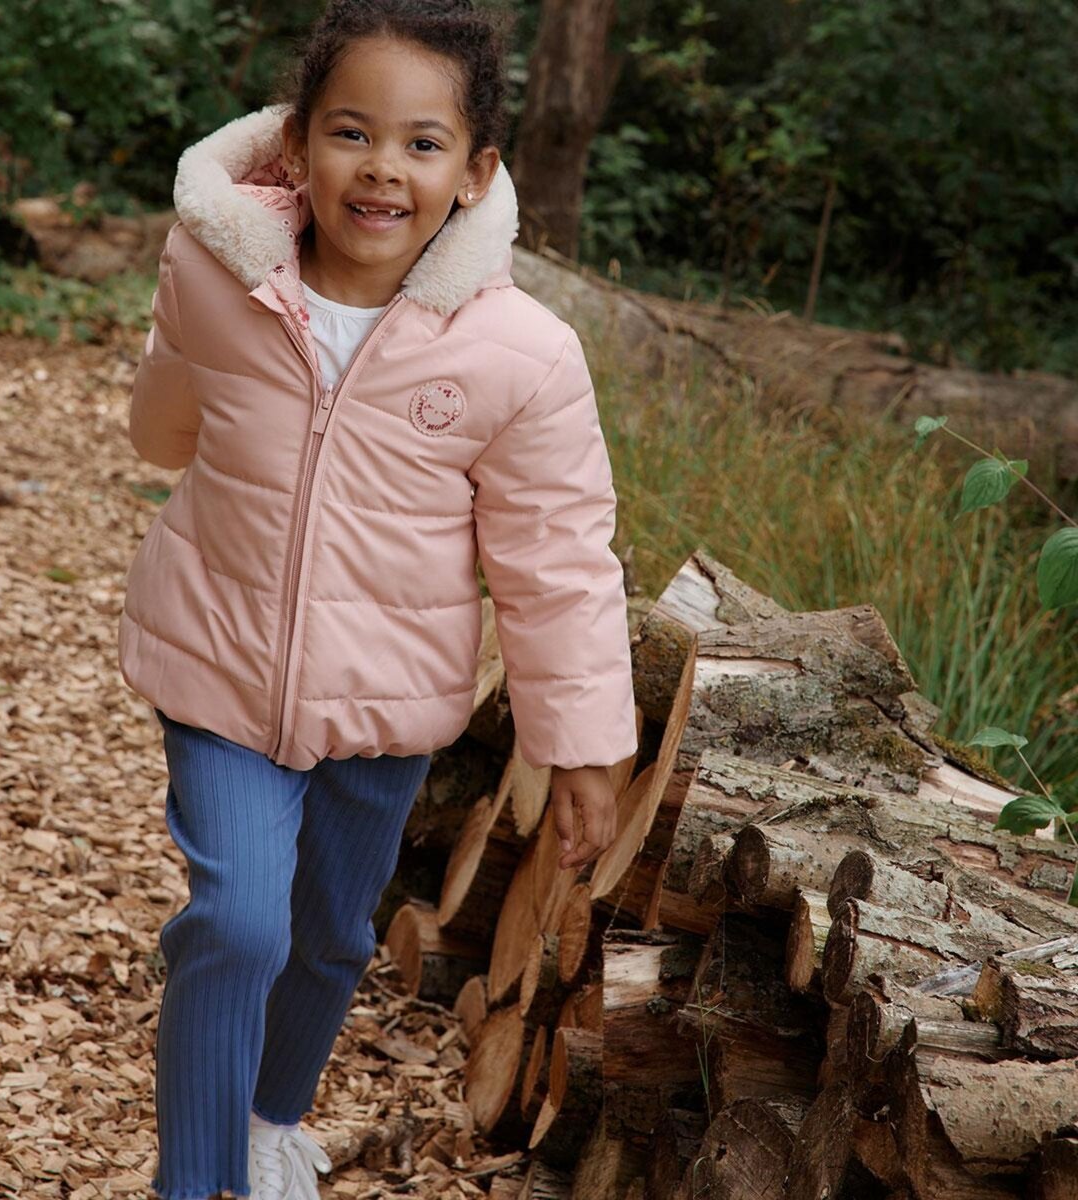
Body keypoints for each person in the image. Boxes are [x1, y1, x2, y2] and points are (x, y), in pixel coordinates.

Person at [118, 1, 638, 1196]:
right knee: (239, 925)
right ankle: (195, 1182)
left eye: (421, 143)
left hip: (391, 698)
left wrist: (585, 748)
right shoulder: (215, 268)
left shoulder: (524, 354)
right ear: (295, 146)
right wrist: (172, 432)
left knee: (330, 936)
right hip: (220, 660)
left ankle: (269, 1119)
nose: (383, 169)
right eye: (352, 134)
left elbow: (556, 559)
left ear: (475, 171)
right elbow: (171, 407)